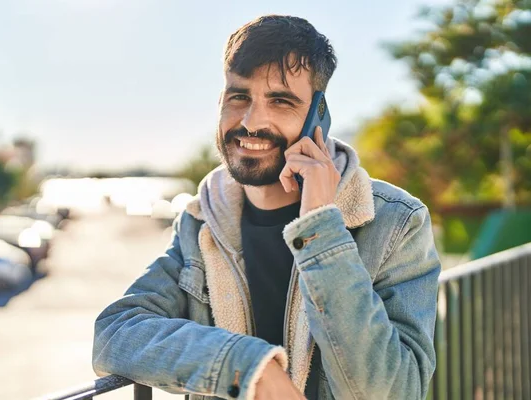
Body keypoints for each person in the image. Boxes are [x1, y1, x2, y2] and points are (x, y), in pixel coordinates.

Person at [93, 15, 440, 400]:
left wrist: (321, 229)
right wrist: (250, 369)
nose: (251, 121)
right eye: (239, 96)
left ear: (317, 117)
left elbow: (393, 392)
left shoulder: (396, 221)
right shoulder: (201, 221)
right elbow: (115, 334)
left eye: (280, 101)